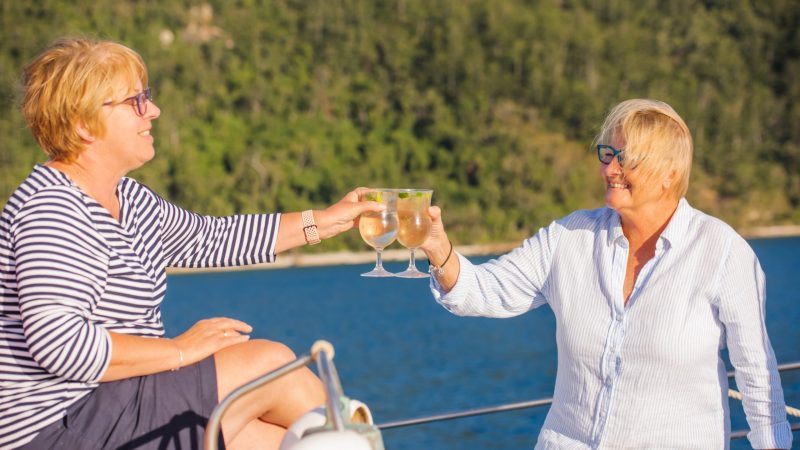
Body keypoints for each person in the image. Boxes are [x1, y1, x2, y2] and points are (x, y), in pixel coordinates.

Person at [0, 37, 383, 450]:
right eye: (135, 101)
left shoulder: (130, 199)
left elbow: (212, 238)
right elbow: (60, 343)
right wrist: (179, 351)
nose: (153, 111)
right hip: (57, 428)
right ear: (83, 124)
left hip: (115, 405)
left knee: (275, 442)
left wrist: (322, 222)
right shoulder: (53, 209)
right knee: (270, 364)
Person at [420, 99, 793, 449]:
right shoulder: (569, 236)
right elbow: (483, 291)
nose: (610, 169)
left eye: (625, 158)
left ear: (670, 172)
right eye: (607, 154)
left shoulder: (722, 252)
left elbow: (757, 377)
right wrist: (439, 249)